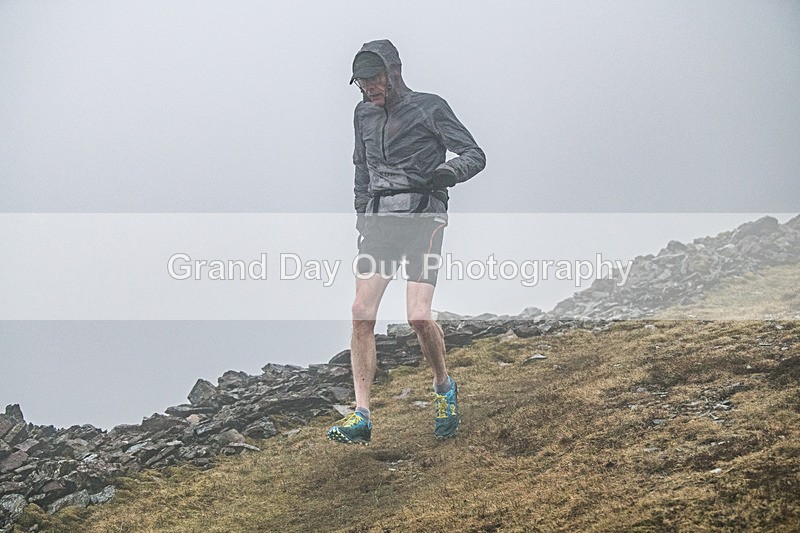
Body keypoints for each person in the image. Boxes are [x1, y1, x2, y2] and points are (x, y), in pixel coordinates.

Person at [327, 39, 485, 444]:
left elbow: (474, 153)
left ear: (393, 72)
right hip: (379, 222)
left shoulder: (430, 107)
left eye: (374, 79)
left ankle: (443, 386)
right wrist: (362, 215)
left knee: (417, 316)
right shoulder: (362, 114)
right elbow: (360, 168)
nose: (368, 89)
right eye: (361, 83)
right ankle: (361, 415)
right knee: (361, 311)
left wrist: (449, 172)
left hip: (423, 216)